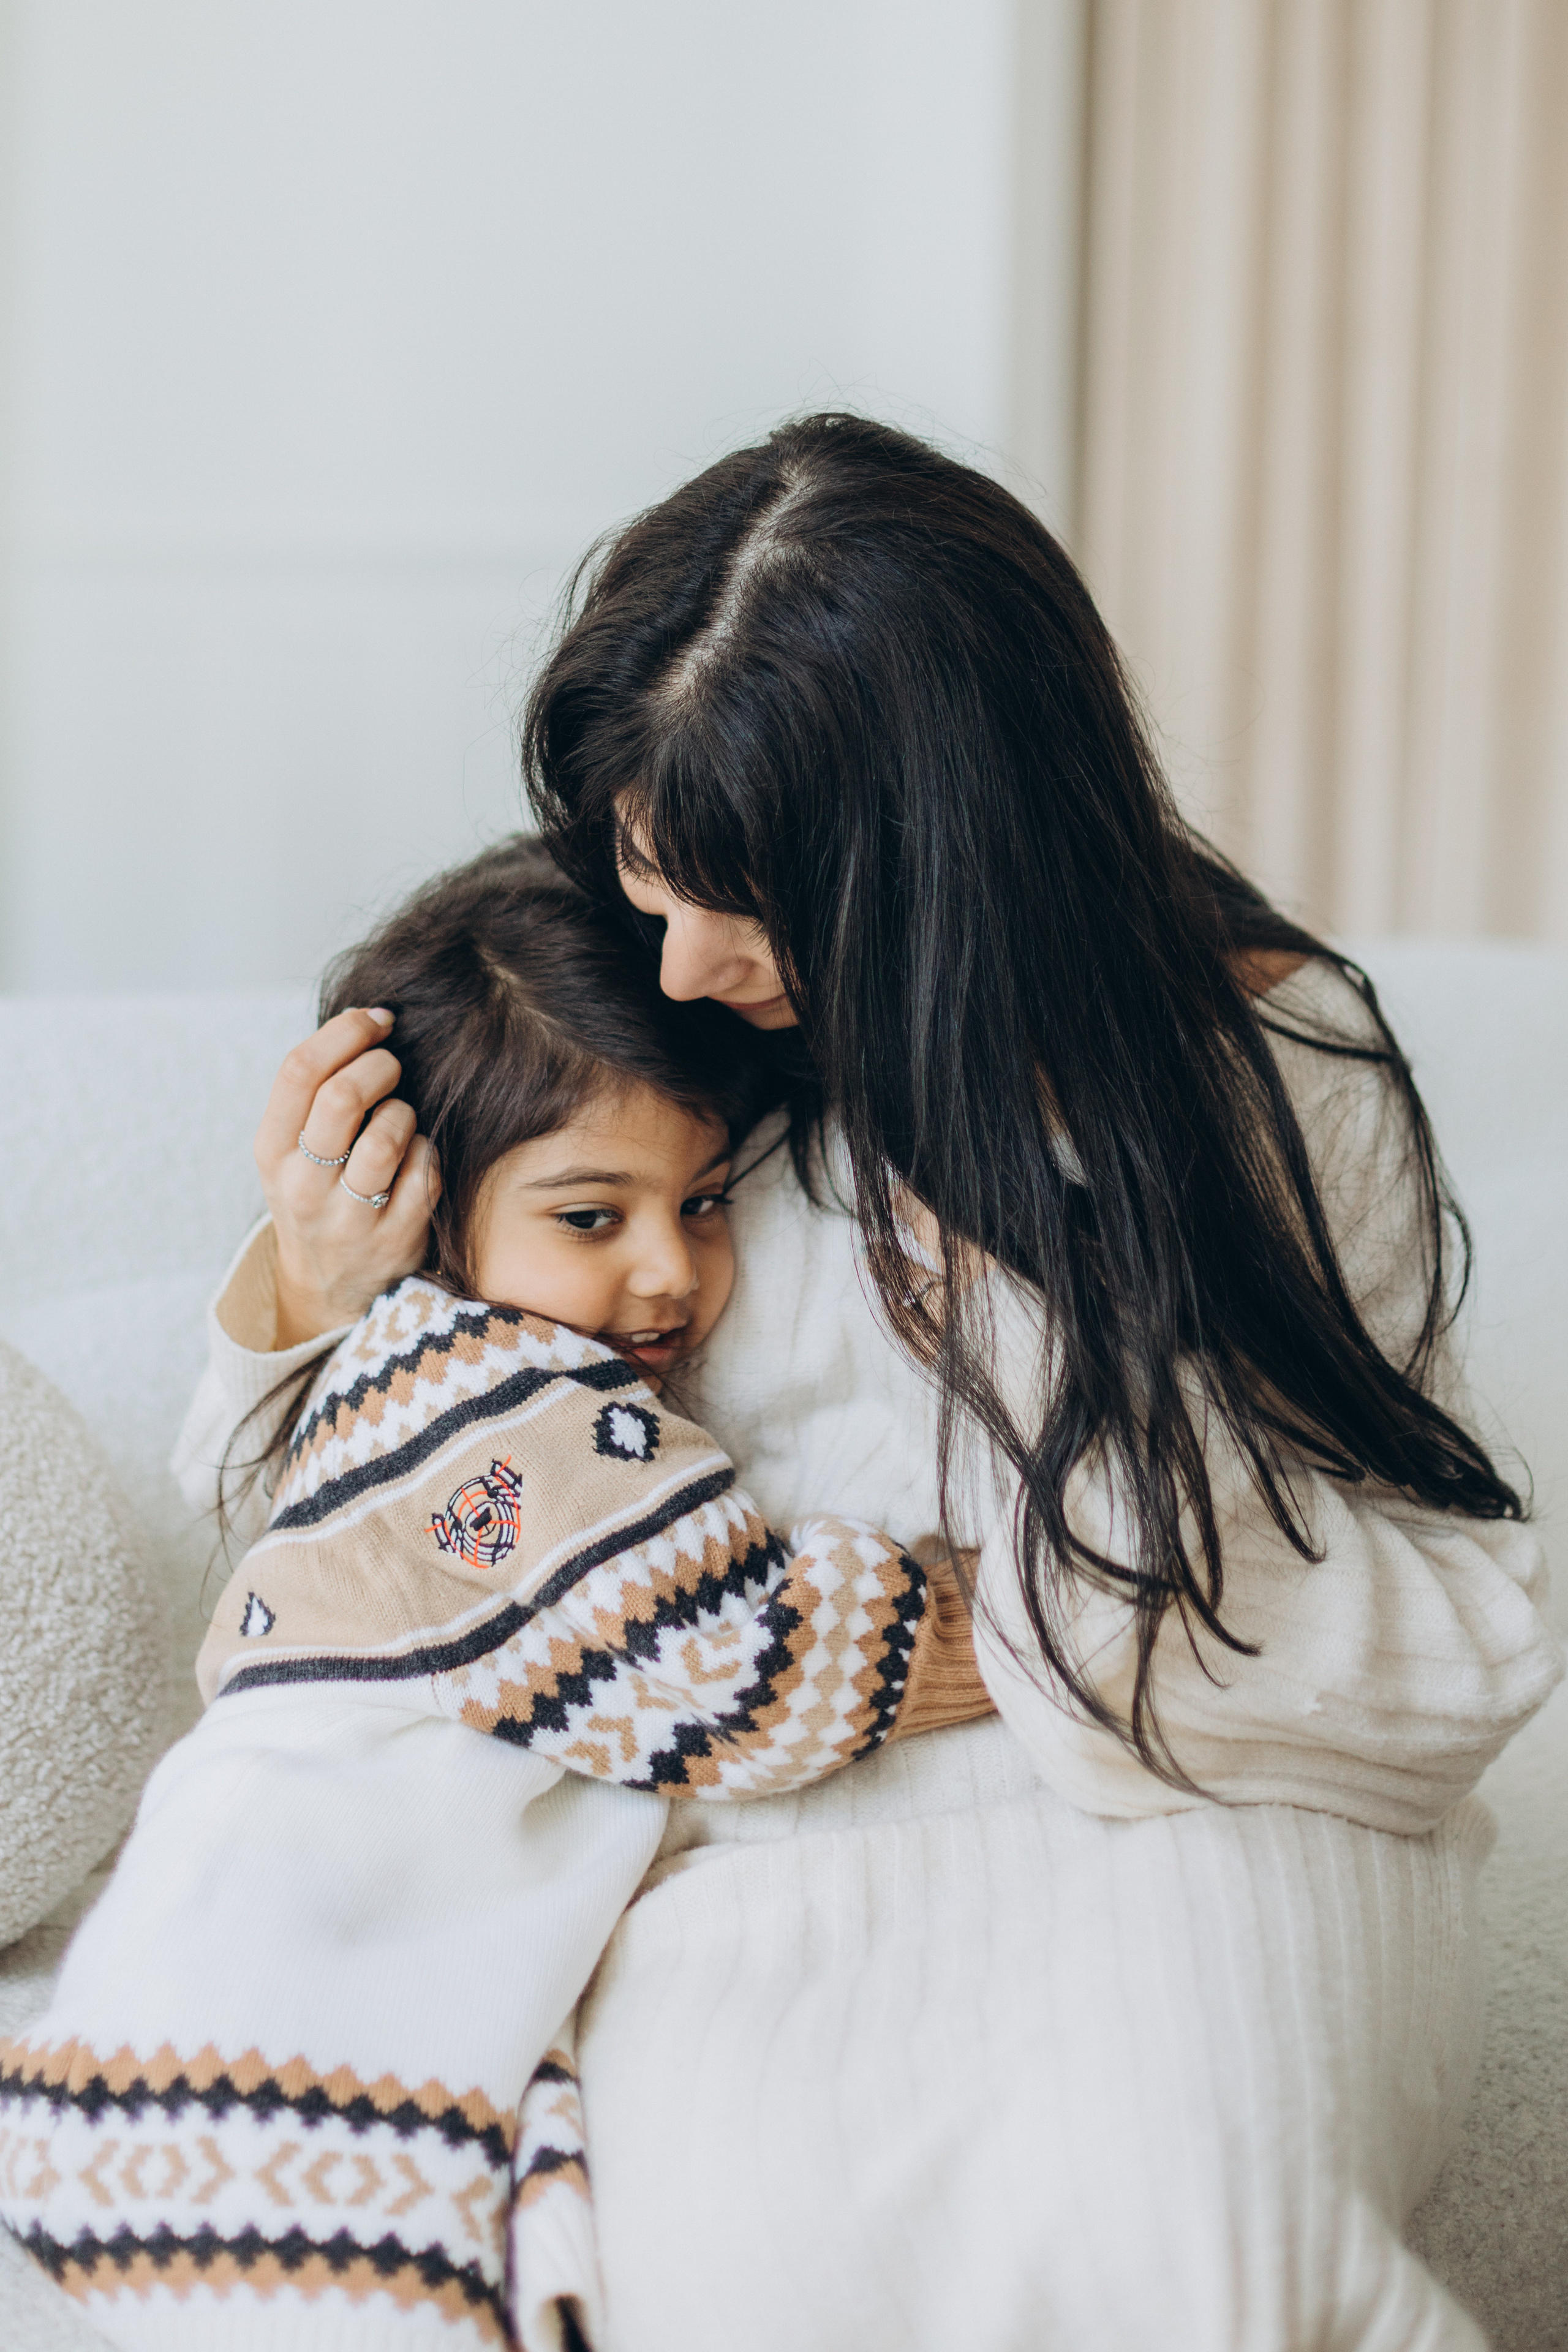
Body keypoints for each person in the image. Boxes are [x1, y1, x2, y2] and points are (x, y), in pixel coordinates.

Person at [161, 418, 1558, 2348]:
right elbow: (370, 1551)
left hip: (1200, 1801)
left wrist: (1030, 1386)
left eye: (743, 895)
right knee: (746, 2260)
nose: (682, 955)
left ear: (946, 868)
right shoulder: (649, 1035)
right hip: (752, 1820)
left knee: (1194, 2235)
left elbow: (1414, 1611)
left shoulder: (1272, 1072)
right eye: (646, 870)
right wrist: (317, 1290)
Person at [0, 840, 989, 2352]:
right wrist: (1024, 1607)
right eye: (590, 1218)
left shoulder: (419, 1382)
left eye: (705, 1202)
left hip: (204, 2013)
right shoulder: (499, 1403)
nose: (669, 1272)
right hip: (263, 1997)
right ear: (426, 1211)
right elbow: (746, 1664)